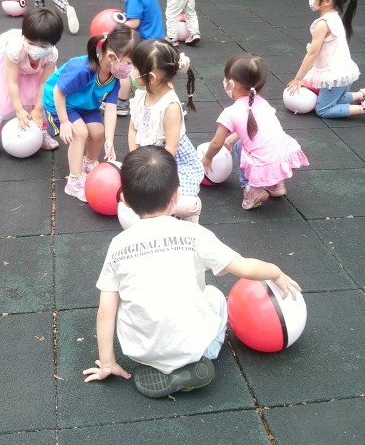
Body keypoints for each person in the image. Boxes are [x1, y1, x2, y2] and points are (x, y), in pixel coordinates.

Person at [82, 146, 301, 398]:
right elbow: (245, 267)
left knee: (122, 297)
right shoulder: (194, 235)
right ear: (177, 195)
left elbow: (105, 310)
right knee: (216, 297)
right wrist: (275, 272)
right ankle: (204, 356)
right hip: (191, 347)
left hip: (141, 351)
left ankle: (162, 363)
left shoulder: (118, 245)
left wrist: (107, 362)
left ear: (125, 201)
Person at [43, 26, 139, 202]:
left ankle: (88, 163)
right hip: (61, 103)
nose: (131, 69)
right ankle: (74, 181)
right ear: (112, 57)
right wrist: (64, 121)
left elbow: (111, 109)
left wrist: (109, 139)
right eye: (129, 63)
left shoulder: (114, 78)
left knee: (98, 131)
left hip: (86, 105)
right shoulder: (83, 69)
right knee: (80, 133)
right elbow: (58, 92)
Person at [203, 54, 309, 210]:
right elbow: (251, 128)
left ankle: (251, 189)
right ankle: (275, 184)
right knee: (256, 145)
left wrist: (207, 158)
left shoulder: (230, 112)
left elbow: (216, 143)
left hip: (264, 164)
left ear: (230, 84)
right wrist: (230, 140)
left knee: (240, 148)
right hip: (283, 155)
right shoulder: (261, 103)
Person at [286, 0, 365, 121]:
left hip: (334, 77)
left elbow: (312, 54)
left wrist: (298, 79)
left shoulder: (322, 25)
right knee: (337, 99)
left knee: (323, 110)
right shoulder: (334, 17)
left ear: (327, 1)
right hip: (343, 73)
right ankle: (364, 94)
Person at [128, 39, 203, 223]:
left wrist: (151, 174)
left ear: (151, 77)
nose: (131, 72)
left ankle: (192, 212)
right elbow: (133, 127)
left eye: (134, 68)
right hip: (148, 159)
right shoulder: (141, 94)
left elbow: (171, 148)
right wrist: (135, 160)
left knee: (179, 204)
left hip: (171, 163)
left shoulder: (170, 107)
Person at [0, 7, 64, 162]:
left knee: (41, 100)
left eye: (43, 46)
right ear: (24, 37)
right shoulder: (15, 49)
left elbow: (45, 83)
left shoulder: (51, 54)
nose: (36, 49)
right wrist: (19, 110)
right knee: (0, 101)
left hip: (36, 72)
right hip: (12, 69)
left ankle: (41, 132)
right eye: (31, 43)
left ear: (53, 44)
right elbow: (12, 81)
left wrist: (37, 109)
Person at [115, 0, 165, 116]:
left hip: (145, 45)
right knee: (156, 75)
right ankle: (165, 100)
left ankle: (121, 103)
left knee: (123, 69)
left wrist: (115, 30)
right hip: (158, 42)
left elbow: (134, 23)